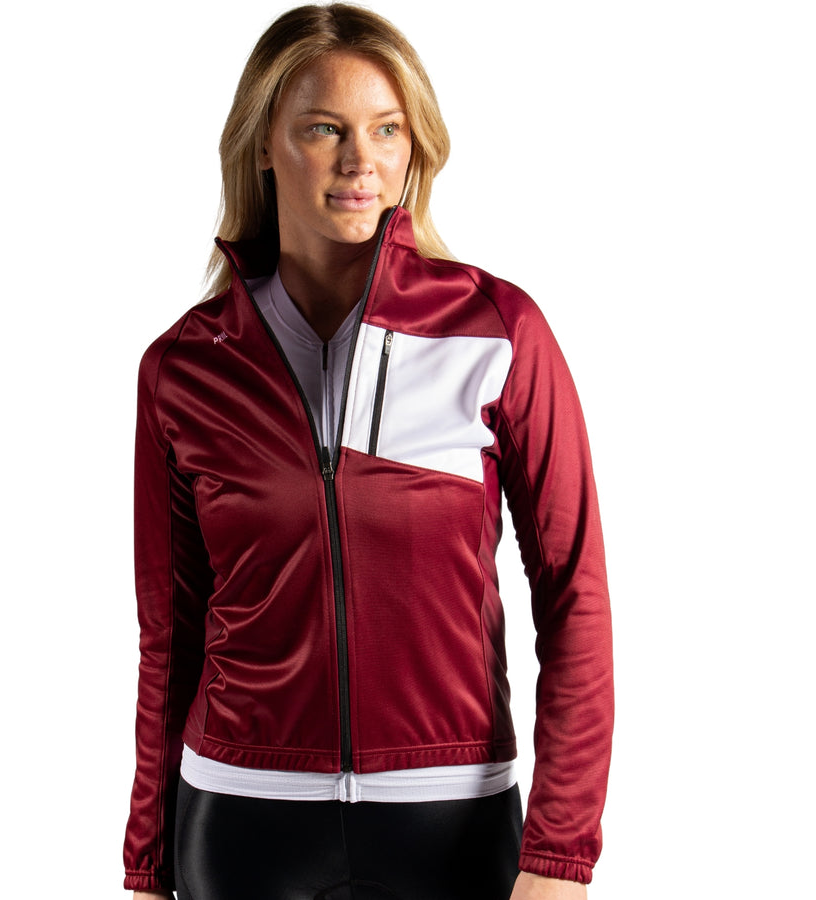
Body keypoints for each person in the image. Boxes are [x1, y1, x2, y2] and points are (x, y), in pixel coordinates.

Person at [123, 5, 613, 899]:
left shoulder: (497, 332)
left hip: (452, 822)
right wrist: (146, 865)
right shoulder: (185, 368)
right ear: (263, 145)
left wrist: (559, 853)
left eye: (387, 129)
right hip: (240, 823)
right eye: (324, 129)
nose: (361, 161)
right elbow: (171, 635)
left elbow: (574, 595)